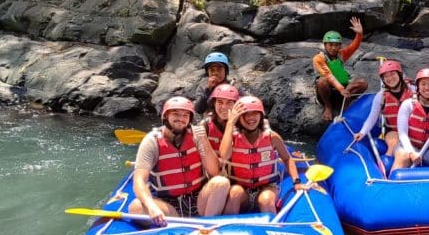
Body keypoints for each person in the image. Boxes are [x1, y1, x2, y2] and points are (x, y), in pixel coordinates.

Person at [129, 96, 230, 225]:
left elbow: (214, 172)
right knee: (136, 207)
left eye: (185, 115)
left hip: (198, 200)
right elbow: (139, 180)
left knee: (221, 182)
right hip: (168, 205)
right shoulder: (151, 141)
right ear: (166, 116)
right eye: (176, 114)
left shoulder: (197, 136)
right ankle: (173, 225)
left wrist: (204, 140)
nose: (181, 119)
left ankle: (207, 225)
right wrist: (151, 206)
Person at [219, 95, 306, 214]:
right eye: (245, 114)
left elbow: (287, 159)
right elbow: (224, 156)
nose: (250, 117)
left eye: (255, 113)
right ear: (238, 118)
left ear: (261, 116)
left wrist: (297, 182)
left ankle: (272, 224)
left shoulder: (272, 137)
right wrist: (230, 123)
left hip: (267, 187)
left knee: (266, 200)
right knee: (234, 194)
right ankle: (228, 225)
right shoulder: (232, 138)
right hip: (242, 189)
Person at [354, 59, 415, 157]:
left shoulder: (413, 91)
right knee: (393, 141)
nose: (390, 78)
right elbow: (372, 118)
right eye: (386, 76)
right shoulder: (381, 96)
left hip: (415, 130)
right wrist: (362, 132)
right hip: (394, 131)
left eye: (392, 74)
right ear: (383, 79)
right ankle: (388, 159)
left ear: (399, 74)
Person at [313, 17, 368, 121]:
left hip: (343, 91)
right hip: (327, 92)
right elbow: (328, 75)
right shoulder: (318, 58)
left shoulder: (341, 54)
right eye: (330, 45)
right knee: (322, 81)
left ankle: (345, 104)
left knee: (363, 83)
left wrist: (359, 34)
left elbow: (354, 46)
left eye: (337, 45)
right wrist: (341, 89)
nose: (334, 48)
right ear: (325, 45)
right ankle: (328, 106)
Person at [193, 51, 231, 116]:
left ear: (226, 71)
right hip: (210, 120)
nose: (215, 73)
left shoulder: (234, 85)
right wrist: (208, 89)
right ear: (207, 72)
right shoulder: (202, 87)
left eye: (219, 69)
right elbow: (199, 110)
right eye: (212, 70)